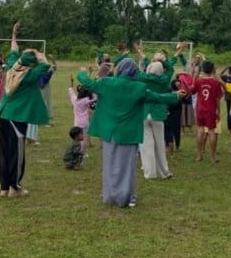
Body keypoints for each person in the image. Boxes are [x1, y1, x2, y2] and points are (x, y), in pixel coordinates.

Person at [77, 58, 184, 208]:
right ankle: (126, 197)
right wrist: (175, 95)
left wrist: (82, 72)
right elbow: (157, 97)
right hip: (128, 133)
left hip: (110, 132)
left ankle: (109, 195)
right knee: (127, 166)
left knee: (109, 164)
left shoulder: (106, 83)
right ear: (134, 71)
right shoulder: (138, 87)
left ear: (119, 69)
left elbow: (87, 82)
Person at [0, 22, 51, 198]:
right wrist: (37, 53)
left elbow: (13, 49)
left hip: (3, 116)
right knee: (17, 154)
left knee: (4, 152)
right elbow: (46, 63)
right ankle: (15, 187)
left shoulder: (13, 65)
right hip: (17, 118)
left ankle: (4, 187)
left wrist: (14, 33)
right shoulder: (30, 75)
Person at [192, 60, 224, 163]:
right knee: (211, 131)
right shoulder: (216, 83)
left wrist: (195, 76)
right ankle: (212, 157)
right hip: (210, 109)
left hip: (200, 109)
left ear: (202, 69)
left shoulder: (199, 81)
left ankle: (199, 155)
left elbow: (192, 91)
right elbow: (217, 99)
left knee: (200, 130)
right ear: (212, 70)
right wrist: (219, 111)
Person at [69, 74, 96, 154]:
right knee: (84, 139)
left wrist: (71, 82)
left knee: (76, 138)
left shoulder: (75, 100)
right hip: (85, 123)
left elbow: (71, 90)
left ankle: (75, 151)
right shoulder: (86, 100)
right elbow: (94, 98)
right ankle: (83, 153)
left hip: (77, 123)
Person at [165, 78, 186, 155]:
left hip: (176, 113)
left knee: (176, 130)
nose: (178, 85)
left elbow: (186, 97)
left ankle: (176, 145)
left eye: (179, 84)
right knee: (168, 130)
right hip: (169, 113)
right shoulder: (169, 91)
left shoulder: (181, 92)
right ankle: (168, 144)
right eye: (177, 84)